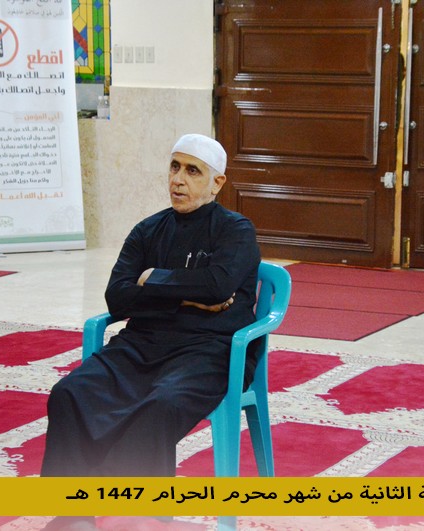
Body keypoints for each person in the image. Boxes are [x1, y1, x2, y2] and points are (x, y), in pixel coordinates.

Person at [40, 134, 261, 530]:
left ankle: (142, 515)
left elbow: (218, 286)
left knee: (161, 404)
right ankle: (72, 514)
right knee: (70, 392)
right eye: (175, 167)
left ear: (217, 183)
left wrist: (153, 279)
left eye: (193, 171)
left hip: (210, 351)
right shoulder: (148, 230)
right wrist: (185, 296)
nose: (178, 179)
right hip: (142, 344)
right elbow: (117, 297)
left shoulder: (236, 230)